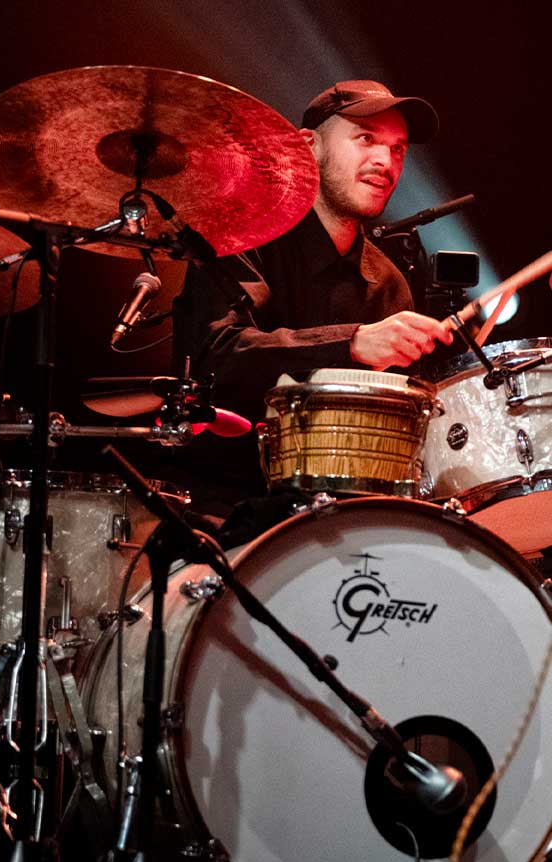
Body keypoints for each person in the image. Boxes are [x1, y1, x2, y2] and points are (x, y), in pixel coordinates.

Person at [171, 80, 453, 531]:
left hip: (349, 522)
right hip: (226, 514)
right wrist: (351, 343)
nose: (385, 161)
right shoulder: (242, 237)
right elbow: (216, 355)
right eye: (366, 138)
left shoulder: (389, 285)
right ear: (309, 147)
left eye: (397, 148)